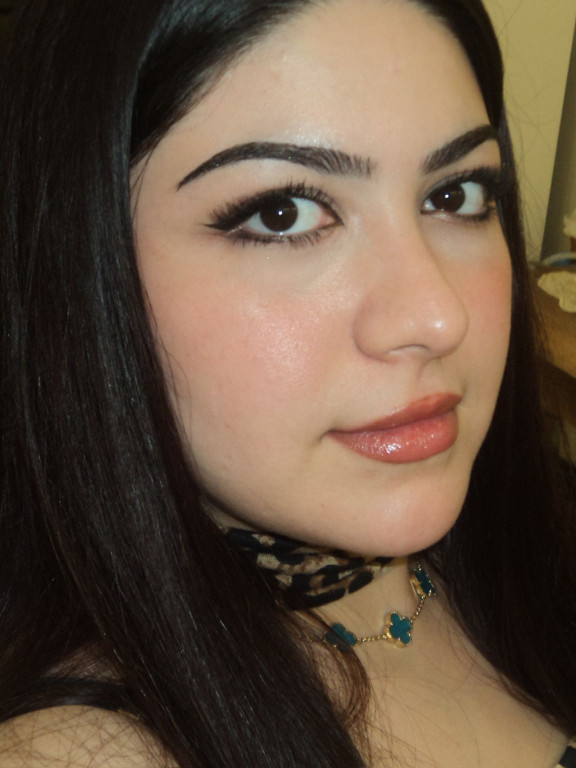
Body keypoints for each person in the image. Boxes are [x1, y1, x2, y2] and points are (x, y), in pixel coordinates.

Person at [1, 0, 575, 765]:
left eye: (455, 195)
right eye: (282, 214)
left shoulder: (531, 563)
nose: (438, 317)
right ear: (74, 274)